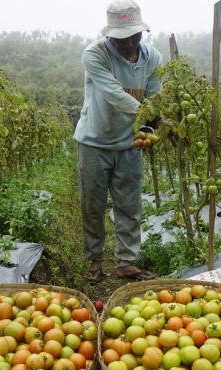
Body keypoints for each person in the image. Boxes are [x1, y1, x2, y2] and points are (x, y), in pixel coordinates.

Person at [74, 0, 162, 283]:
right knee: (93, 204)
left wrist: (149, 127)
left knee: (129, 205)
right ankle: (95, 261)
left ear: (141, 32)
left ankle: (126, 262)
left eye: (133, 36)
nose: (128, 42)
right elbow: (113, 93)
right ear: (110, 34)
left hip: (129, 144)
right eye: (121, 37)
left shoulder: (152, 58)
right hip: (94, 143)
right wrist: (147, 114)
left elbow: (154, 95)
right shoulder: (95, 54)